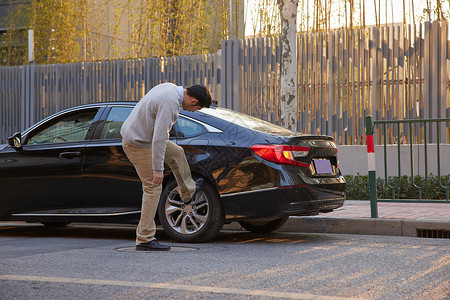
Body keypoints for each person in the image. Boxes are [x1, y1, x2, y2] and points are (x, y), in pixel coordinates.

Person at [120, 83, 212, 251]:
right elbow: (160, 138)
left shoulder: (170, 87)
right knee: (153, 187)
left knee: (177, 152)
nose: (193, 111)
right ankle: (145, 239)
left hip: (144, 138)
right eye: (196, 108)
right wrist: (157, 169)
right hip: (138, 143)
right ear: (193, 100)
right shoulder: (170, 103)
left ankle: (188, 193)